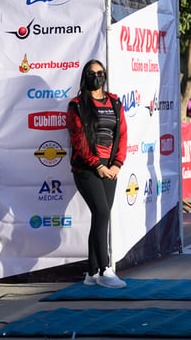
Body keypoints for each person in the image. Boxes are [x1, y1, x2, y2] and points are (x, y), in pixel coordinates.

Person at [66, 60, 128, 289]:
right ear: (85, 77)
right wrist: (97, 165)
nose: (96, 76)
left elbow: (122, 135)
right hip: (86, 168)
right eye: (92, 73)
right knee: (102, 213)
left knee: (100, 216)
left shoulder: (114, 102)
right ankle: (105, 269)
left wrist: (117, 165)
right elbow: (79, 140)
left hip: (111, 168)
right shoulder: (77, 105)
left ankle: (91, 273)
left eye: (100, 73)